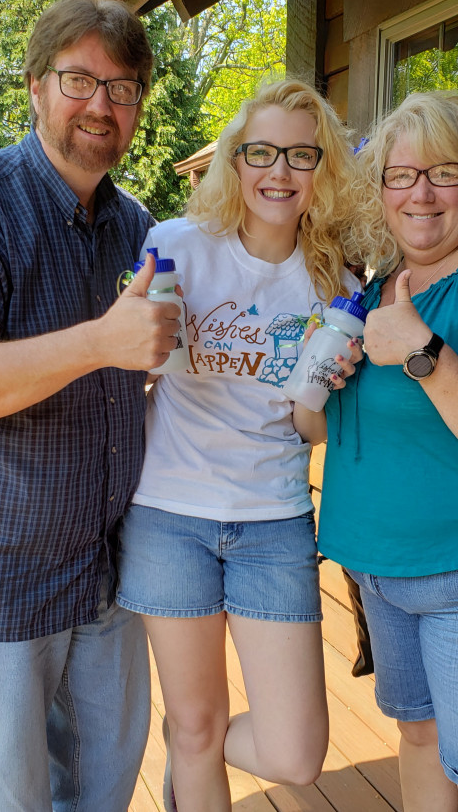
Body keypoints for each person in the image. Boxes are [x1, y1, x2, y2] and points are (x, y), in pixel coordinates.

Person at [0, 0, 182, 812]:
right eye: (79, 79)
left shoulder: (134, 223)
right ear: (36, 86)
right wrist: (101, 341)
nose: (101, 104)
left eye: (122, 87)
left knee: (100, 795)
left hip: (103, 578)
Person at [295, 91, 458, 812]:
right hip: (383, 568)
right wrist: (327, 382)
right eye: (400, 175)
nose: (421, 192)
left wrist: (423, 351)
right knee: (419, 740)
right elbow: (326, 431)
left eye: (444, 171)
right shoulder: (380, 290)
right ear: (379, 192)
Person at [115, 78, 362, 811]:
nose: (279, 172)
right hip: (168, 512)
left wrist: (321, 392)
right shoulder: (174, 247)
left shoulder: (334, 281)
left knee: (296, 753)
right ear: (235, 160)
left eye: (299, 155)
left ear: (322, 170)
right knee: (196, 731)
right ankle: (192, 741)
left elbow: (310, 428)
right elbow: (138, 371)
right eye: (261, 152)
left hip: (273, 518)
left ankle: (191, 737)